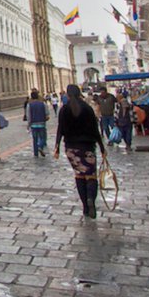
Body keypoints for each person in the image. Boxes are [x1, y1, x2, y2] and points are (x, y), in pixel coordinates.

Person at [53, 84, 107, 218]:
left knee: (79, 175)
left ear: (68, 94)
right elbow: (95, 130)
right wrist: (102, 147)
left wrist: (57, 147)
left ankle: (85, 206)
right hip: (87, 147)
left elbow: (60, 129)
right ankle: (91, 200)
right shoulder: (87, 108)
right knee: (91, 175)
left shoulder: (64, 109)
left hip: (71, 148)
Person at [26, 89, 49, 157]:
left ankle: (36, 153)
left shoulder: (29, 105)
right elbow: (47, 113)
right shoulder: (43, 104)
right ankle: (40, 146)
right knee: (43, 138)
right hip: (42, 123)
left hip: (33, 124)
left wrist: (28, 124)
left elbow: (28, 116)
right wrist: (45, 119)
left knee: (35, 139)